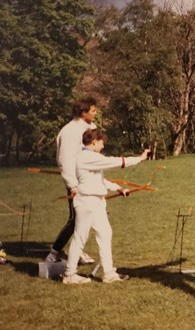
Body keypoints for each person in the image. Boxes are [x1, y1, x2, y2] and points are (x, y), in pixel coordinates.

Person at [62, 129, 150, 284]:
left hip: (96, 202)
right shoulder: (86, 157)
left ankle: (108, 273)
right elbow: (113, 162)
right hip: (87, 202)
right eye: (102, 143)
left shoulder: (91, 158)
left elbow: (99, 180)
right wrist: (139, 158)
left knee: (105, 233)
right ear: (94, 142)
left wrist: (118, 188)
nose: (103, 146)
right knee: (80, 237)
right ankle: (69, 274)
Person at [45, 97, 98, 264]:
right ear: (83, 113)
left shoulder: (90, 128)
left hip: (90, 179)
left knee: (89, 217)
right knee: (76, 218)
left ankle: (77, 251)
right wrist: (72, 186)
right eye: (93, 111)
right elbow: (65, 161)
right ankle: (53, 255)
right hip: (77, 182)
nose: (96, 113)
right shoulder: (70, 131)